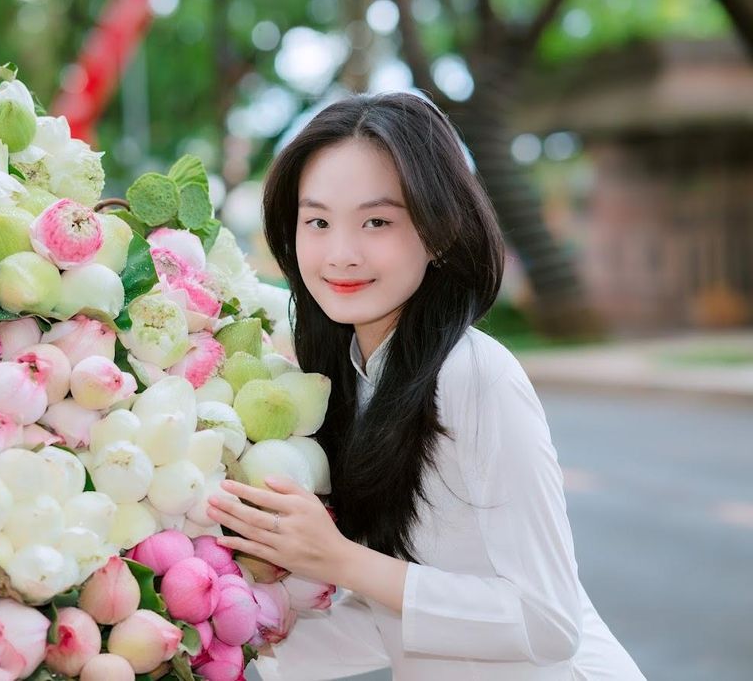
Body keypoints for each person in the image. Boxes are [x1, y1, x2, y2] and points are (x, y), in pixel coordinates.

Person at [205, 93, 645, 680]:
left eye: (377, 222)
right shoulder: (355, 376)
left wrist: (341, 560)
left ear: (438, 233)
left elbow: (548, 621)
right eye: (318, 222)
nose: (341, 254)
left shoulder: (476, 376)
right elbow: (395, 620)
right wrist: (205, 637)